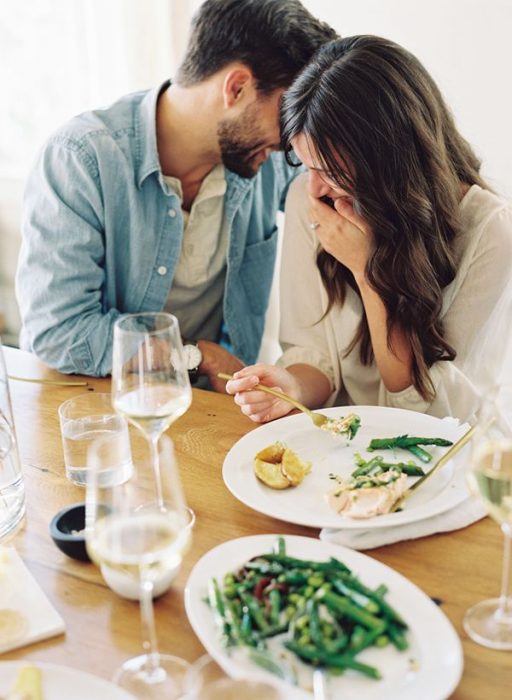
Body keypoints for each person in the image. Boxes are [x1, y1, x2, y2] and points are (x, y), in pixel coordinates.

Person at [15, 0, 337, 390]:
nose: (291, 140)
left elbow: (351, 190)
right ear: (236, 88)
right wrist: (196, 357)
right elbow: (59, 330)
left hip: (210, 408)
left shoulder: (267, 156)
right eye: (286, 116)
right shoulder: (81, 158)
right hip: (92, 402)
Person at [226, 35, 512, 422]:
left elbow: (433, 408)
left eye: (329, 172)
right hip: (345, 454)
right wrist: (291, 386)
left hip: (451, 456)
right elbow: (317, 356)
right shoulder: (311, 201)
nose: (314, 188)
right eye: (306, 166)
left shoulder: (490, 231)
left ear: (388, 162)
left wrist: (367, 271)